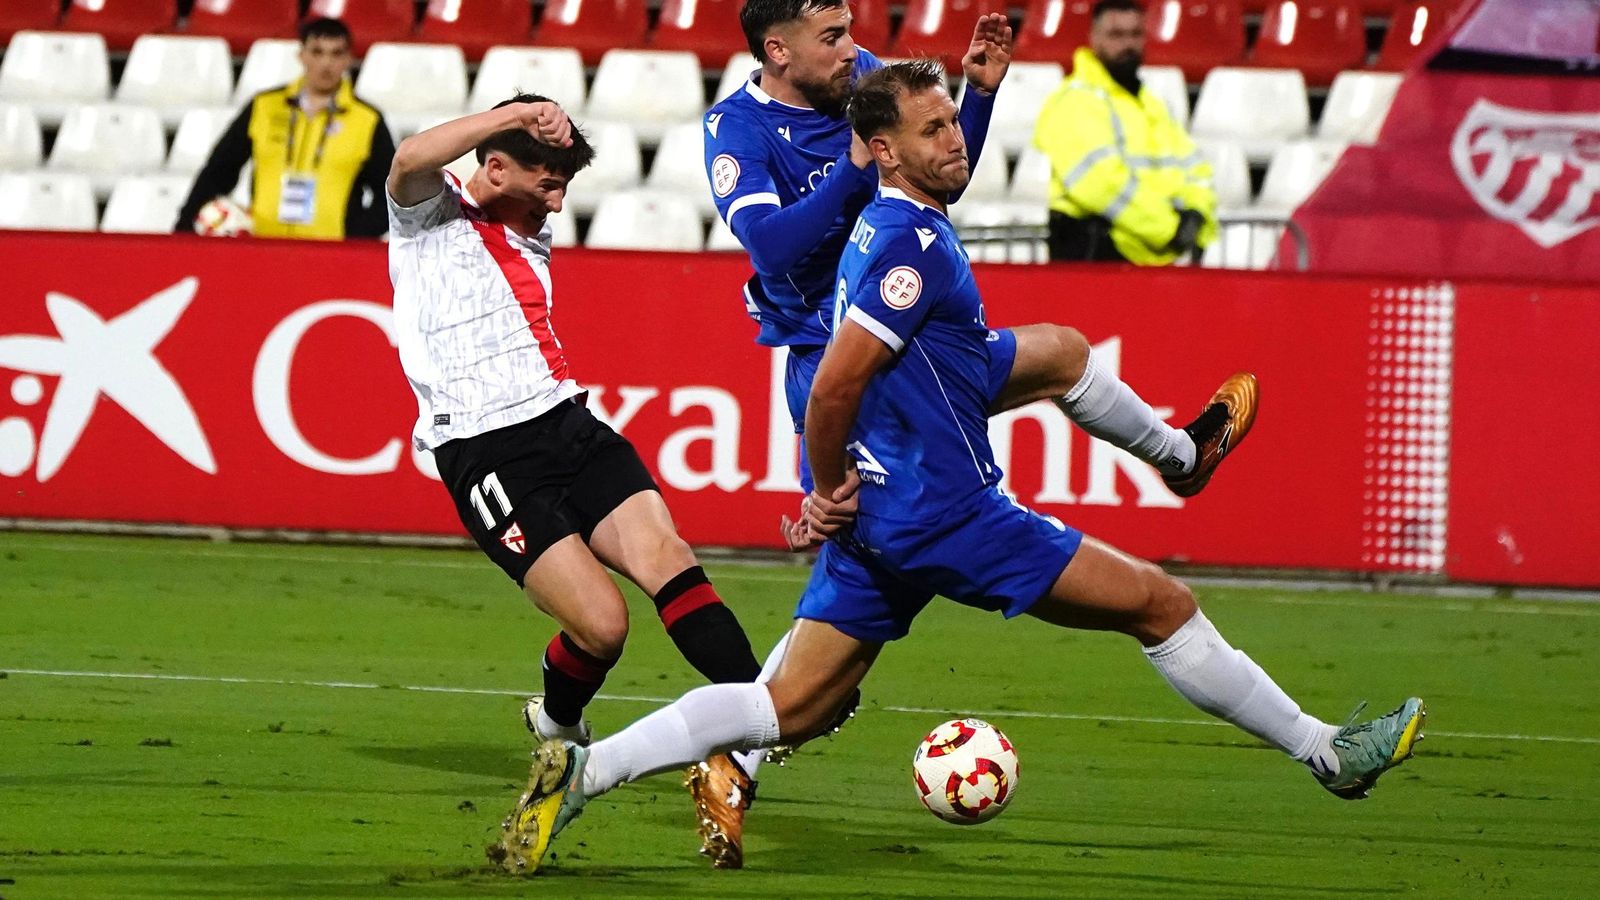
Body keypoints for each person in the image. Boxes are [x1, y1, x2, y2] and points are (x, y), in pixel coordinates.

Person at [489, 61, 1426, 874]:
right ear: (885, 151)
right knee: (1162, 606)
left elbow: (865, 376)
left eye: (952, 122)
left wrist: (844, 493)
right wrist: (825, 487)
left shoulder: (889, 223)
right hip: (948, 516)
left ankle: (587, 770)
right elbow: (835, 386)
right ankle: (1327, 756)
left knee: (786, 709)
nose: (956, 140)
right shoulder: (911, 245)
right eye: (933, 127)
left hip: (887, 525)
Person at [384, 93, 773, 854]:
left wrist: (529, 123)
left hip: (568, 423)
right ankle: (559, 730)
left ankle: (751, 740)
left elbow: (479, 159)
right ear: (493, 166)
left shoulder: (523, 226)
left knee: (673, 564)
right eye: (546, 181)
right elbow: (407, 159)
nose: (557, 200)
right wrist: (525, 108)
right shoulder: (427, 215)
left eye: (564, 184)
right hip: (486, 451)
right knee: (601, 626)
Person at [684, 0, 1014, 866]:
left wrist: (972, 99)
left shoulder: (861, 78)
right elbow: (773, 250)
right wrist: (855, 162)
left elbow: (935, 174)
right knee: (859, 588)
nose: (852, 50)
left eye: (849, 31)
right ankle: (736, 748)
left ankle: (1177, 451)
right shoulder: (739, 129)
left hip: (907, 343)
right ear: (777, 48)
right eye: (831, 37)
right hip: (834, 362)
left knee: (1060, 359)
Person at [1032, 0, 1217, 263]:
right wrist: (1170, 228)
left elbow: (1196, 169)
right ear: (1094, 38)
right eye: (1116, 35)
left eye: (1136, 34)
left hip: (1148, 261)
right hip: (1094, 259)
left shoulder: (1152, 103)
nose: (1128, 44)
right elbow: (1100, 183)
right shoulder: (1076, 100)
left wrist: (1197, 215)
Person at [175, 18, 394, 240]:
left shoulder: (367, 119)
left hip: (330, 254)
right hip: (263, 246)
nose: (326, 63)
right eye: (317, 52)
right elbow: (218, 172)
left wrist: (353, 236)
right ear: (301, 55)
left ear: (349, 59)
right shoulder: (264, 106)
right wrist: (184, 228)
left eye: (336, 54)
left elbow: (391, 193)